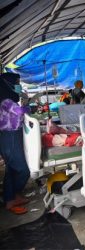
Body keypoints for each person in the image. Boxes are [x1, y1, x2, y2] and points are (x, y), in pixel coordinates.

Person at [0, 73, 30, 215]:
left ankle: (11, 197)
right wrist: (28, 106)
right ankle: (10, 199)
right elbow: (18, 112)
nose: (18, 85)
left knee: (11, 169)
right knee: (22, 169)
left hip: (10, 135)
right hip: (9, 135)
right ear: (8, 84)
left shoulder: (7, 98)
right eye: (17, 83)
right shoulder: (5, 100)